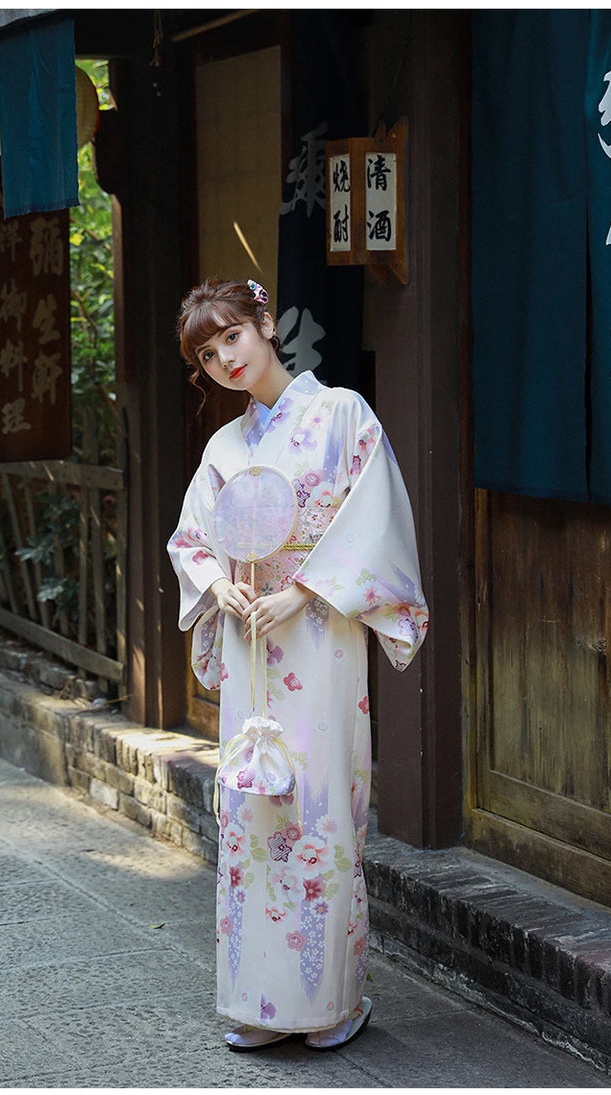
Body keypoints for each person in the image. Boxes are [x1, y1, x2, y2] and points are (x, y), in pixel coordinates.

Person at [167, 277, 428, 1052]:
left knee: (321, 809)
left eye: (231, 338)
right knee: (250, 807)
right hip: (252, 642)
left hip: (320, 640)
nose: (224, 360)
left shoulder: (341, 414)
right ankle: (256, 999)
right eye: (208, 355)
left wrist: (305, 589)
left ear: (264, 324)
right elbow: (191, 542)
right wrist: (221, 586)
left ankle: (333, 1000)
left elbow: (376, 518)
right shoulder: (224, 447)